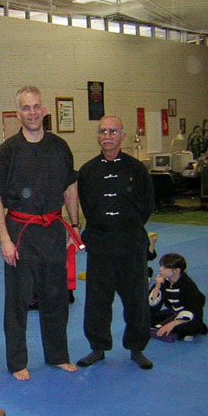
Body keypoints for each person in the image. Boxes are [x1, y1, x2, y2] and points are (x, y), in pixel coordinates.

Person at [0, 86, 80, 381]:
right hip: (20, 232)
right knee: (18, 301)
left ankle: (58, 355)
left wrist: (75, 225)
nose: (32, 112)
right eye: (26, 108)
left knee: (56, 298)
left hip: (53, 230)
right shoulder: (8, 151)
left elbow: (70, 187)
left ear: (44, 110)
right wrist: (4, 239)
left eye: (36, 106)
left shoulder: (59, 147)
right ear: (18, 113)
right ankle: (17, 362)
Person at [77, 115, 155, 369]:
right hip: (100, 244)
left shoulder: (136, 169)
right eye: (103, 131)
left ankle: (136, 347)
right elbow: (87, 206)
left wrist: (127, 227)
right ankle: (98, 347)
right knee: (97, 300)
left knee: (136, 299)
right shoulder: (88, 170)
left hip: (131, 244)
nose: (107, 136)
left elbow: (147, 205)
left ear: (122, 135)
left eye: (113, 131)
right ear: (98, 136)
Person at [149, 253, 208, 342]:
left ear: (176, 271)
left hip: (189, 316)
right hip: (172, 313)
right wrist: (157, 287)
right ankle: (171, 333)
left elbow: (194, 309)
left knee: (190, 327)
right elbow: (153, 307)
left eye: (165, 267)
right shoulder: (163, 282)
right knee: (145, 319)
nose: (160, 269)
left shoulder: (188, 285)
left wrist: (174, 323)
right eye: (161, 266)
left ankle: (174, 331)